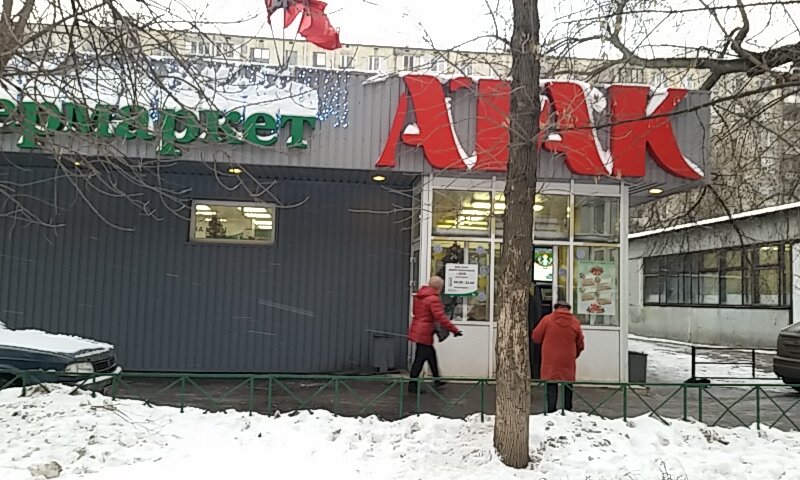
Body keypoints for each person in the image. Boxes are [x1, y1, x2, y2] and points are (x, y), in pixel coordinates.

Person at [407, 276, 462, 393]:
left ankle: (437, 379)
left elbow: (419, 313)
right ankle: (412, 386)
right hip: (424, 331)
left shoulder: (420, 296)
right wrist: (454, 330)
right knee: (420, 359)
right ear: (439, 287)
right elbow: (441, 317)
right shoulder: (433, 299)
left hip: (419, 329)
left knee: (430, 355)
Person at [532, 300, 585, 412]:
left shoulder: (547, 319)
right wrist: (574, 354)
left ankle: (551, 409)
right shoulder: (575, 322)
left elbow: (536, 337)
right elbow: (580, 343)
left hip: (550, 359)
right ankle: (567, 409)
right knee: (568, 384)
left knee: (551, 382)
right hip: (567, 359)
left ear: (556, 308)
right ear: (568, 309)